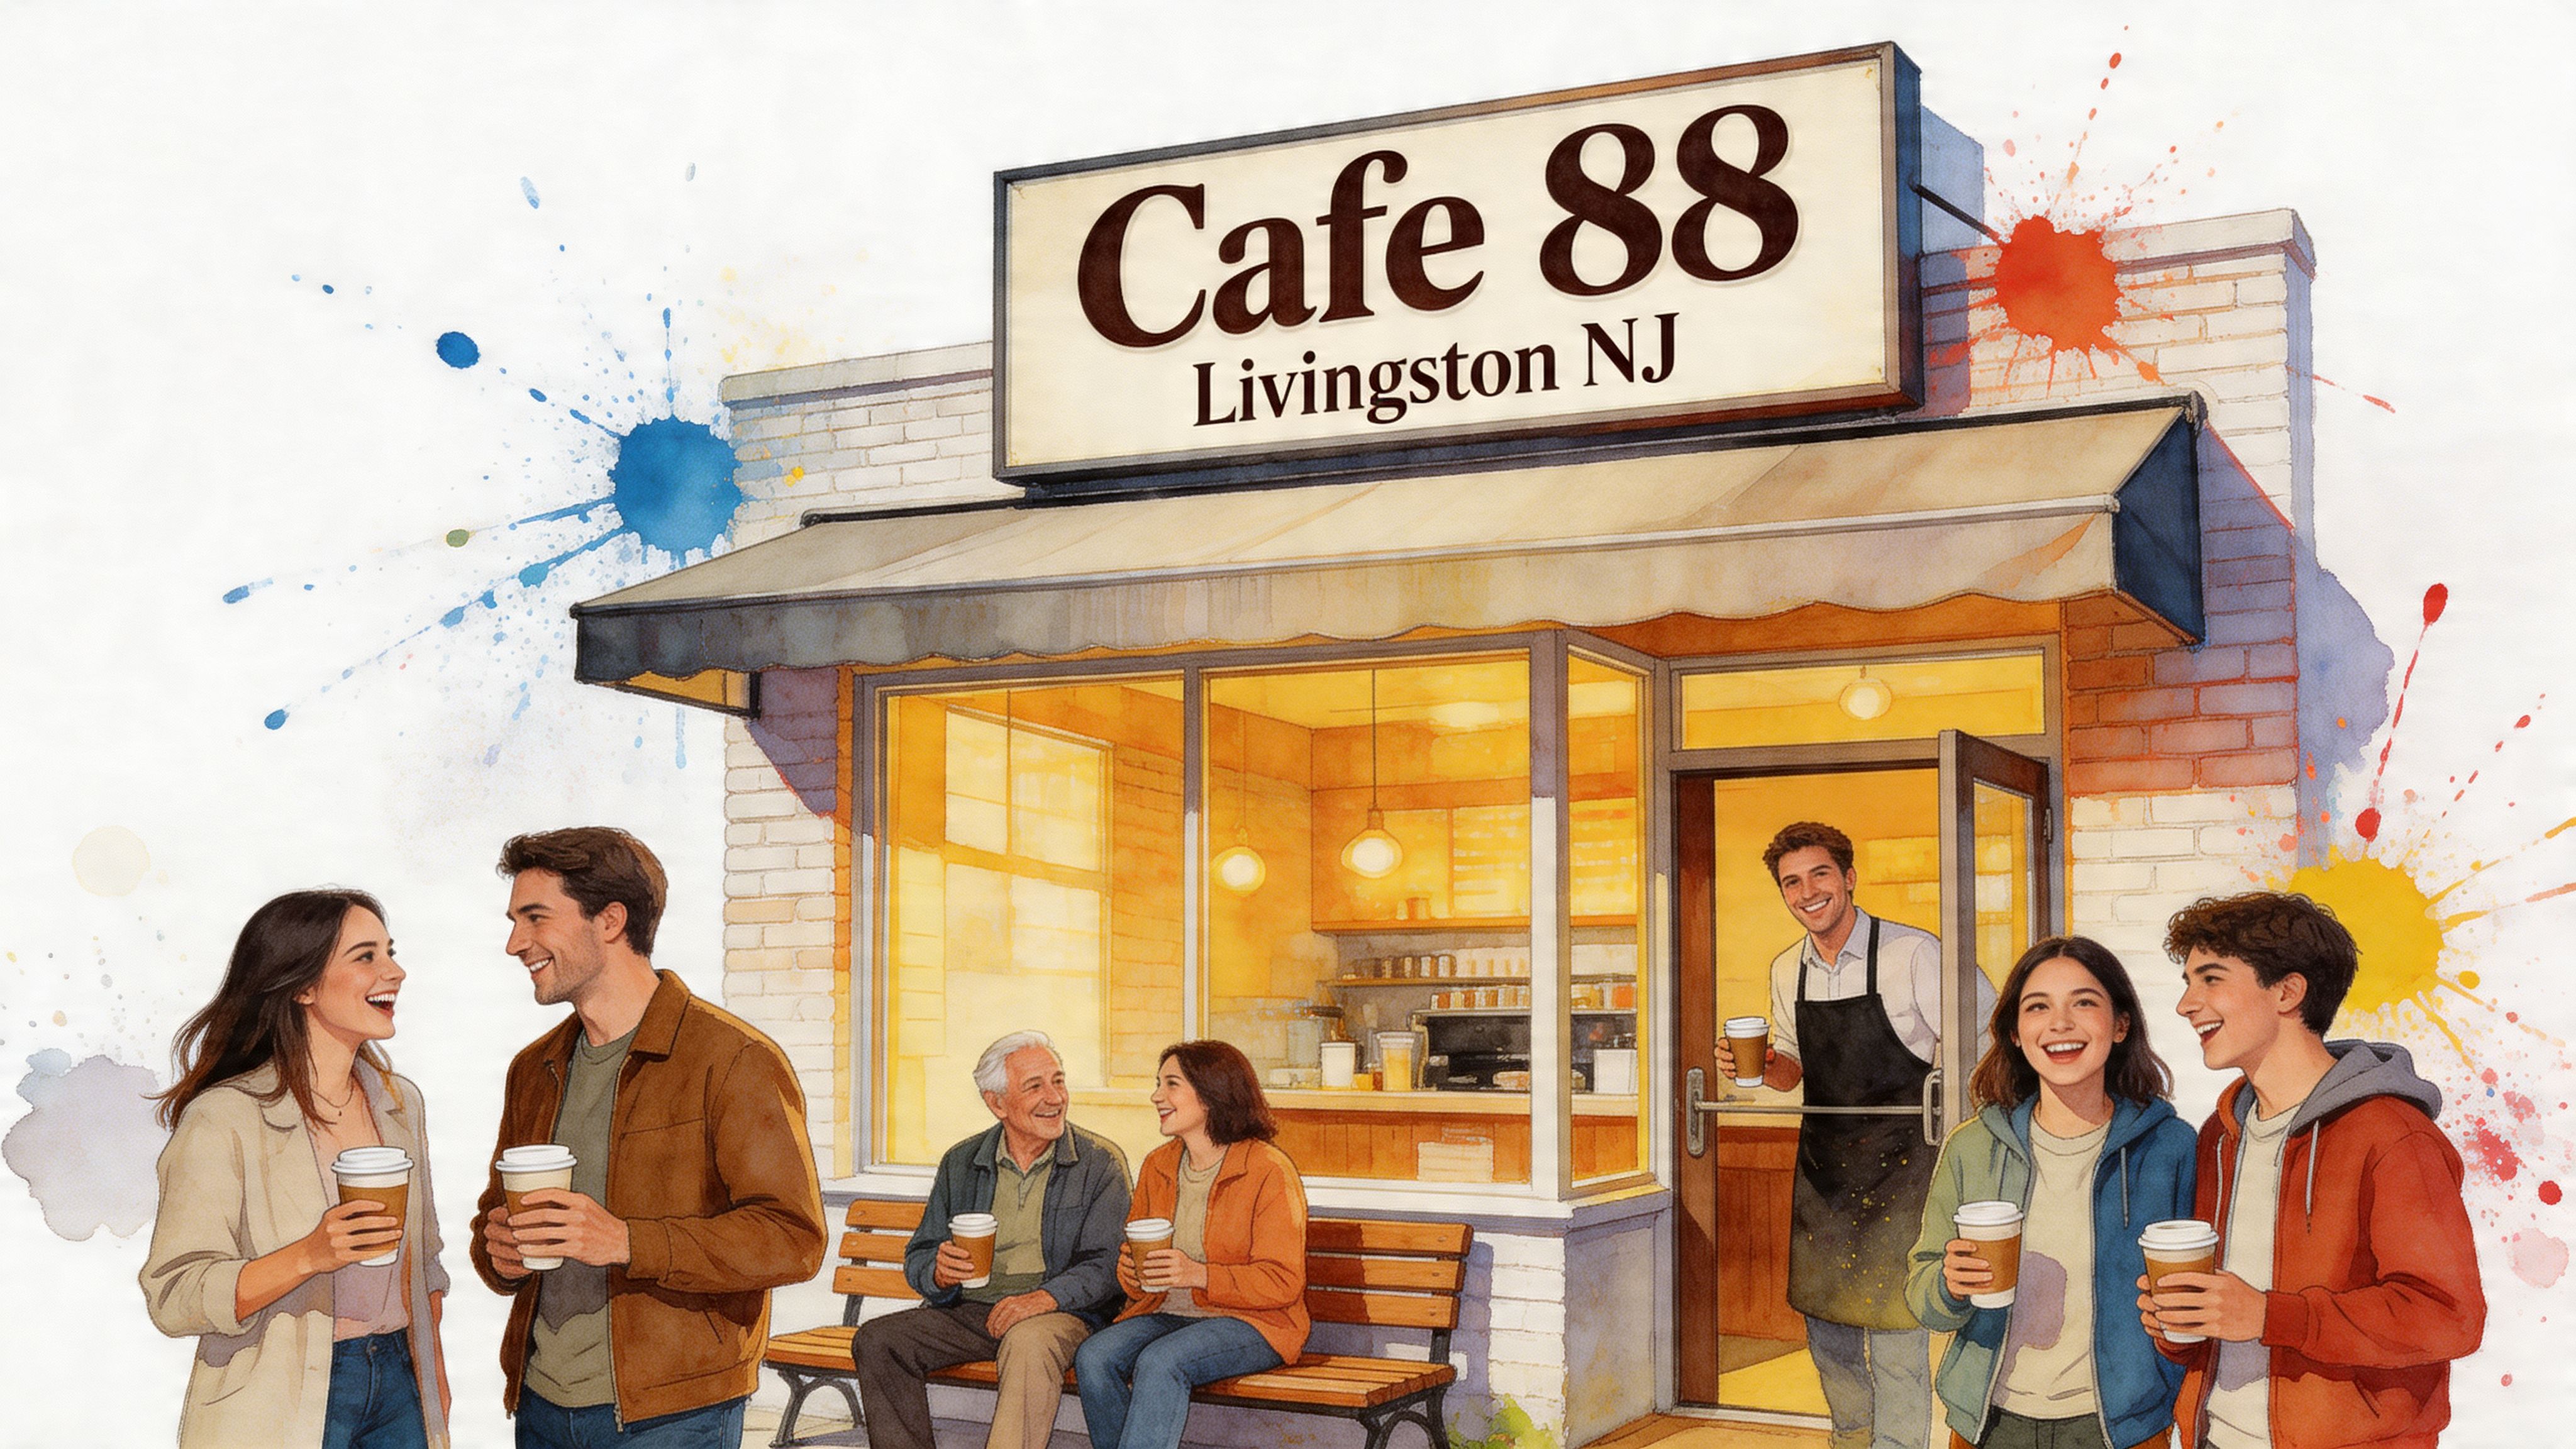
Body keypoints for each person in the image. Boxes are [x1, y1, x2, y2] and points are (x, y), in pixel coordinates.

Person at [470, 826, 827, 1447]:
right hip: (540, 1402)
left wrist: (628, 1241)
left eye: (534, 918)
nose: (514, 944)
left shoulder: (733, 1057)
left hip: (675, 1414)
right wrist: (497, 1251)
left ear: (609, 920)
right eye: (513, 921)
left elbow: (791, 1239)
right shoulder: (534, 1069)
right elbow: (491, 1219)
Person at [2137, 892, 2484, 1449]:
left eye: (2210, 979)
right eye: (2186, 983)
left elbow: (2448, 1316)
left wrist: (2273, 1316)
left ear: (2287, 992)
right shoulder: (2219, 1137)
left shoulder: (2394, 1135)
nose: (2185, 1004)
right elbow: (2230, 1320)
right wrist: (2179, 1325)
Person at [142, 889, 453, 1449]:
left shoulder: (400, 1103)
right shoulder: (225, 1118)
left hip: (401, 1385)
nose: (396, 972)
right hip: (278, 1395)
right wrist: (310, 1256)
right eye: (366, 957)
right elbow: (175, 1294)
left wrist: (435, 1385)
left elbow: (425, 1262)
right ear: (304, 987)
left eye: (390, 952)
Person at [1717, 821, 1990, 1449]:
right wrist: (1750, 1067)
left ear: (1847, 878)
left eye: (1819, 875)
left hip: (1906, 1170)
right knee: (1829, 1336)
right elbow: (1789, 1069)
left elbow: (1983, 1035)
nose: (1807, 892)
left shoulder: (1914, 954)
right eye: (1792, 882)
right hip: (1826, 1175)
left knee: (1896, 1335)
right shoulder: (1788, 970)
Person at [1907, 936, 2195, 1449]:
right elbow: (1922, 1296)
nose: (2059, 1024)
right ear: (2015, 1033)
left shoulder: (2171, 1147)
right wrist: (1950, 1285)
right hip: (1988, 1423)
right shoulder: (1972, 1147)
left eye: (2084, 1003)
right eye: (2038, 1007)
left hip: (2125, 1429)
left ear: (2121, 1024)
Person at [850, 1030, 1132, 1449]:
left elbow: (1107, 1264)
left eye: (1058, 1081)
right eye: (1035, 1087)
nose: (1055, 1098)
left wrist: (1041, 1300)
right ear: (995, 1102)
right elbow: (921, 1254)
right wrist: (938, 1273)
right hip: (974, 1310)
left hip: (1063, 1313)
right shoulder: (962, 1162)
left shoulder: (1099, 1162)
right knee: (879, 1340)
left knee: (1028, 1342)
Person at [1075, 1040, 1310, 1449]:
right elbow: (1135, 1267)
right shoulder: (1158, 1165)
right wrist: (1130, 1273)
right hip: (1167, 1312)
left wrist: (1199, 1274)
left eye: (1171, 1085)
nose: (1156, 1096)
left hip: (1256, 1324)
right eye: (1157, 1084)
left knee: (1161, 1362)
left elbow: (1283, 1282)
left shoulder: (1267, 1170)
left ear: (1211, 1093)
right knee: (1094, 1357)